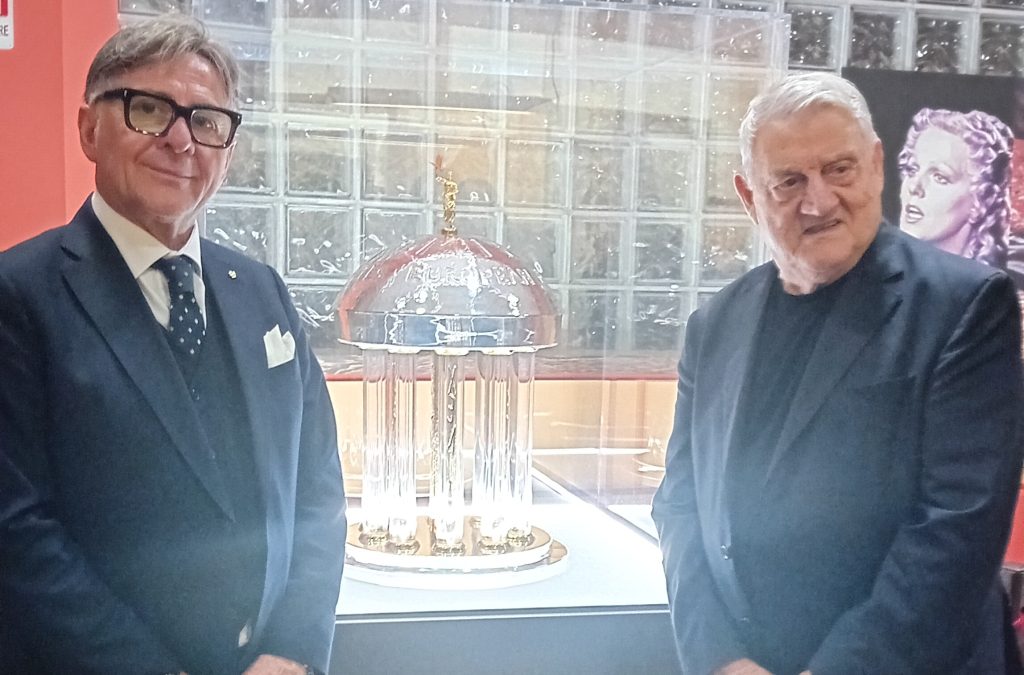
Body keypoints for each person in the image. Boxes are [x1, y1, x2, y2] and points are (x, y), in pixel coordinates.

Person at [0, 14, 346, 675]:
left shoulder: (263, 292)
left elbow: (318, 488)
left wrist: (293, 650)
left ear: (228, 150)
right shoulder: (18, 298)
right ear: (89, 129)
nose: (181, 139)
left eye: (206, 120)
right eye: (150, 109)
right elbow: (17, 532)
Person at [652, 71, 1024, 675]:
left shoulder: (965, 306)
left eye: (839, 169)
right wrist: (719, 658)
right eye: (789, 181)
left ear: (876, 166)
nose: (819, 202)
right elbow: (679, 502)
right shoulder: (715, 325)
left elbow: (955, 530)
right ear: (749, 196)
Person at [897, 107, 1014, 269]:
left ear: (982, 200)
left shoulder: (996, 281)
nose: (914, 187)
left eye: (940, 177)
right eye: (912, 170)